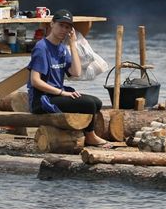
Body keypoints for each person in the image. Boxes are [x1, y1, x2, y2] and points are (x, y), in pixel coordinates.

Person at [27, 9, 107, 147]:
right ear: (52, 24)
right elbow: (35, 81)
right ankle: (90, 136)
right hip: (42, 100)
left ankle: (80, 130)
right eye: (61, 25)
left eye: (67, 27)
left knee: (97, 102)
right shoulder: (42, 47)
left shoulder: (62, 48)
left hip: (57, 95)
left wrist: (72, 44)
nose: (63, 30)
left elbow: (76, 72)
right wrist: (62, 93)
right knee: (88, 104)